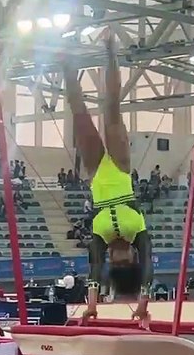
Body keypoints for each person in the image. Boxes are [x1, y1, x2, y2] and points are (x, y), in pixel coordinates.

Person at [63, 33, 152, 322]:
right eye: (124, 260)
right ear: (132, 258)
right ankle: (111, 52)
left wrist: (91, 305)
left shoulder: (101, 236)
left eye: (115, 261)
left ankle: (66, 62)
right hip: (120, 166)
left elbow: (93, 269)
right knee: (112, 107)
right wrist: (141, 306)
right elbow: (150, 266)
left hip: (97, 172)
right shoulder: (137, 229)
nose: (116, 257)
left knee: (79, 115)